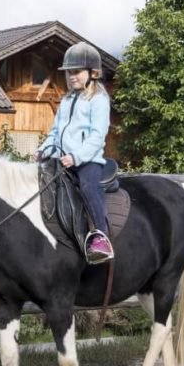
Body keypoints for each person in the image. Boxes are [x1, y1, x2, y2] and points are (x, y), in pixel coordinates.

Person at [34, 42, 114, 263]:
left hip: (87, 161)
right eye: (69, 72)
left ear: (93, 73)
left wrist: (76, 157)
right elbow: (56, 132)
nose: (71, 77)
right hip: (61, 159)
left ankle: (101, 237)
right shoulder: (67, 99)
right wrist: (42, 150)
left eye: (76, 72)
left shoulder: (99, 100)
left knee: (88, 188)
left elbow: (97, 136)